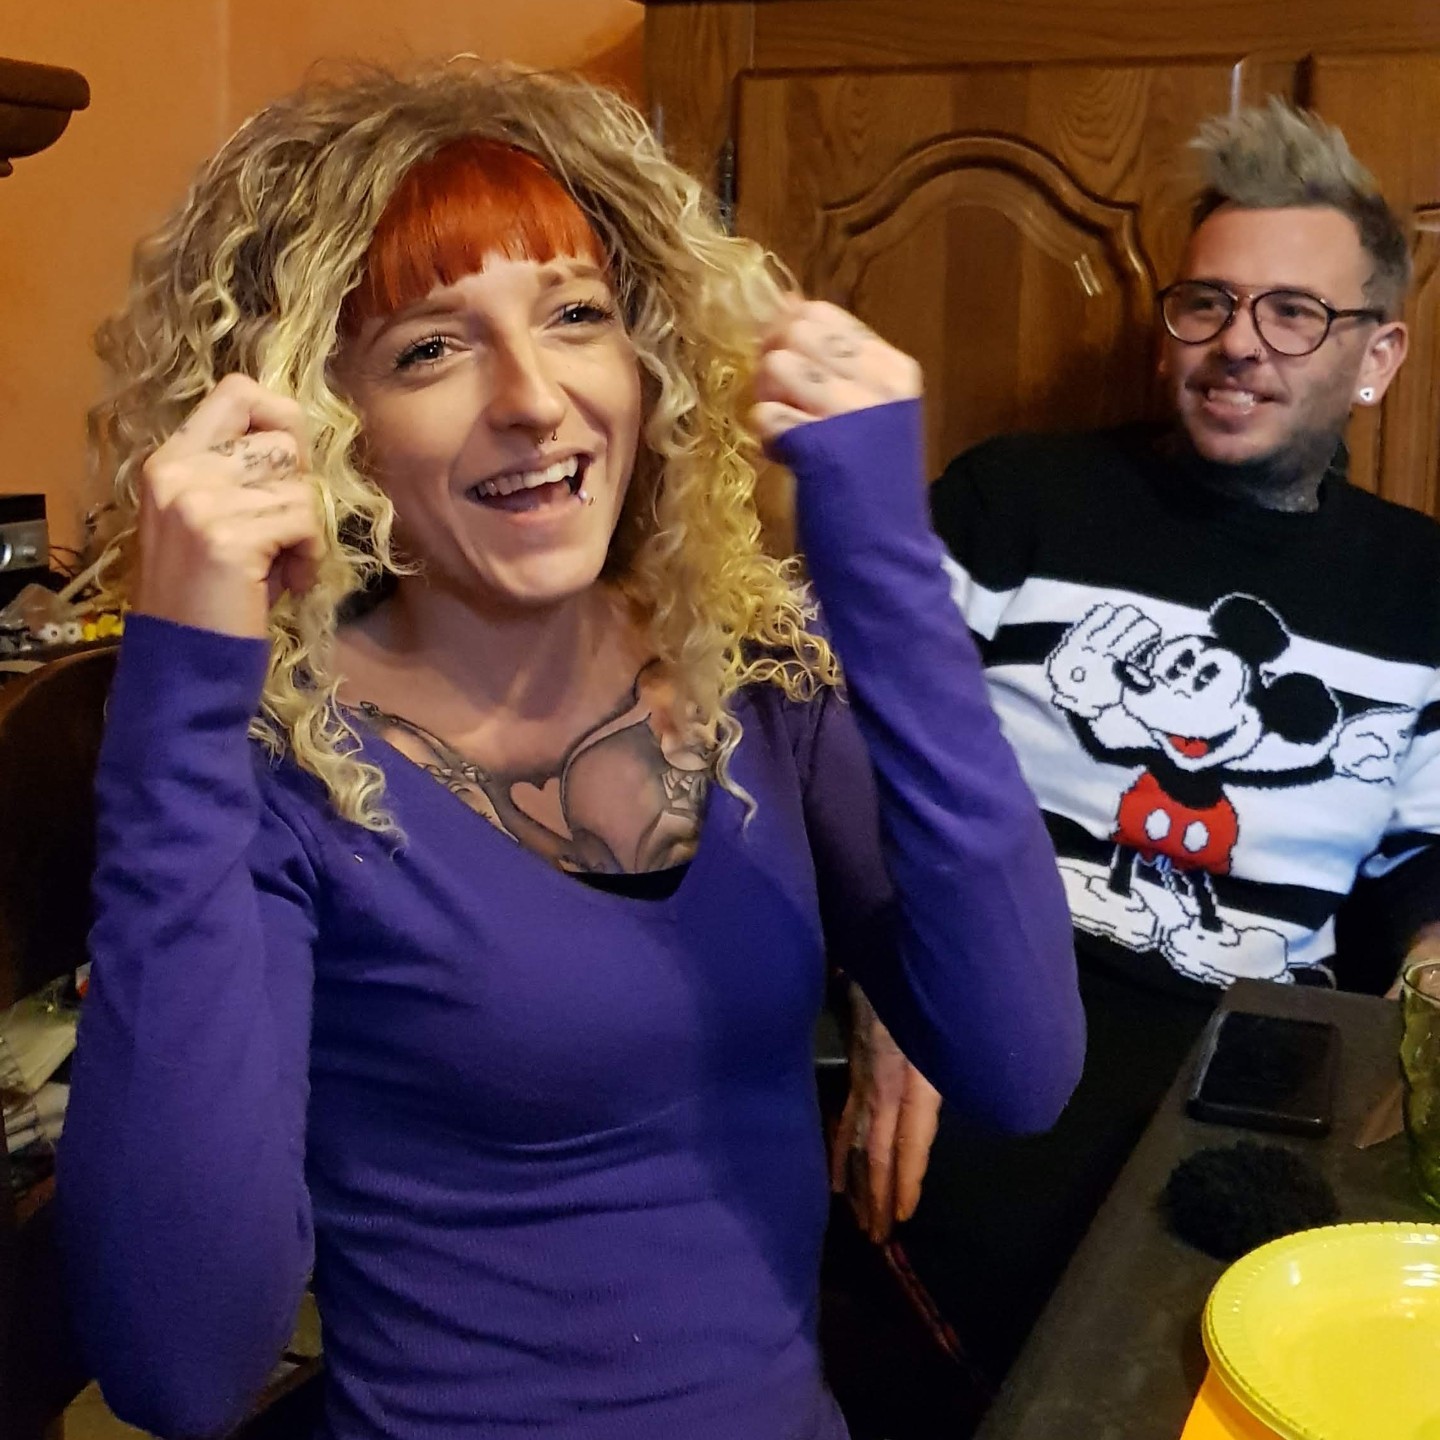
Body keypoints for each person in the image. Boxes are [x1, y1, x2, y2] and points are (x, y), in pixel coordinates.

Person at [55, 61, 1084, 1440]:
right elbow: (179, 1369)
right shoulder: (277, 770)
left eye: (576, 315)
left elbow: (1021, 1065)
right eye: (430, 348)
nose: (534, 398)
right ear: (320, 419)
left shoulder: (757, 679)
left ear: (649, 357)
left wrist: (885, 561)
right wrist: (179, 696)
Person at [838, 99, 1440, 1384]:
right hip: (985, 1015)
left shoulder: (1422, 590)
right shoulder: (1017, 500)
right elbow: (844, 753)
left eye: (1294, 312)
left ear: (1378, 355)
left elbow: (1423, 868)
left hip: (1253, 1070)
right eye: (1208, 303)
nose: (1239, 344)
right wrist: (888, 998)